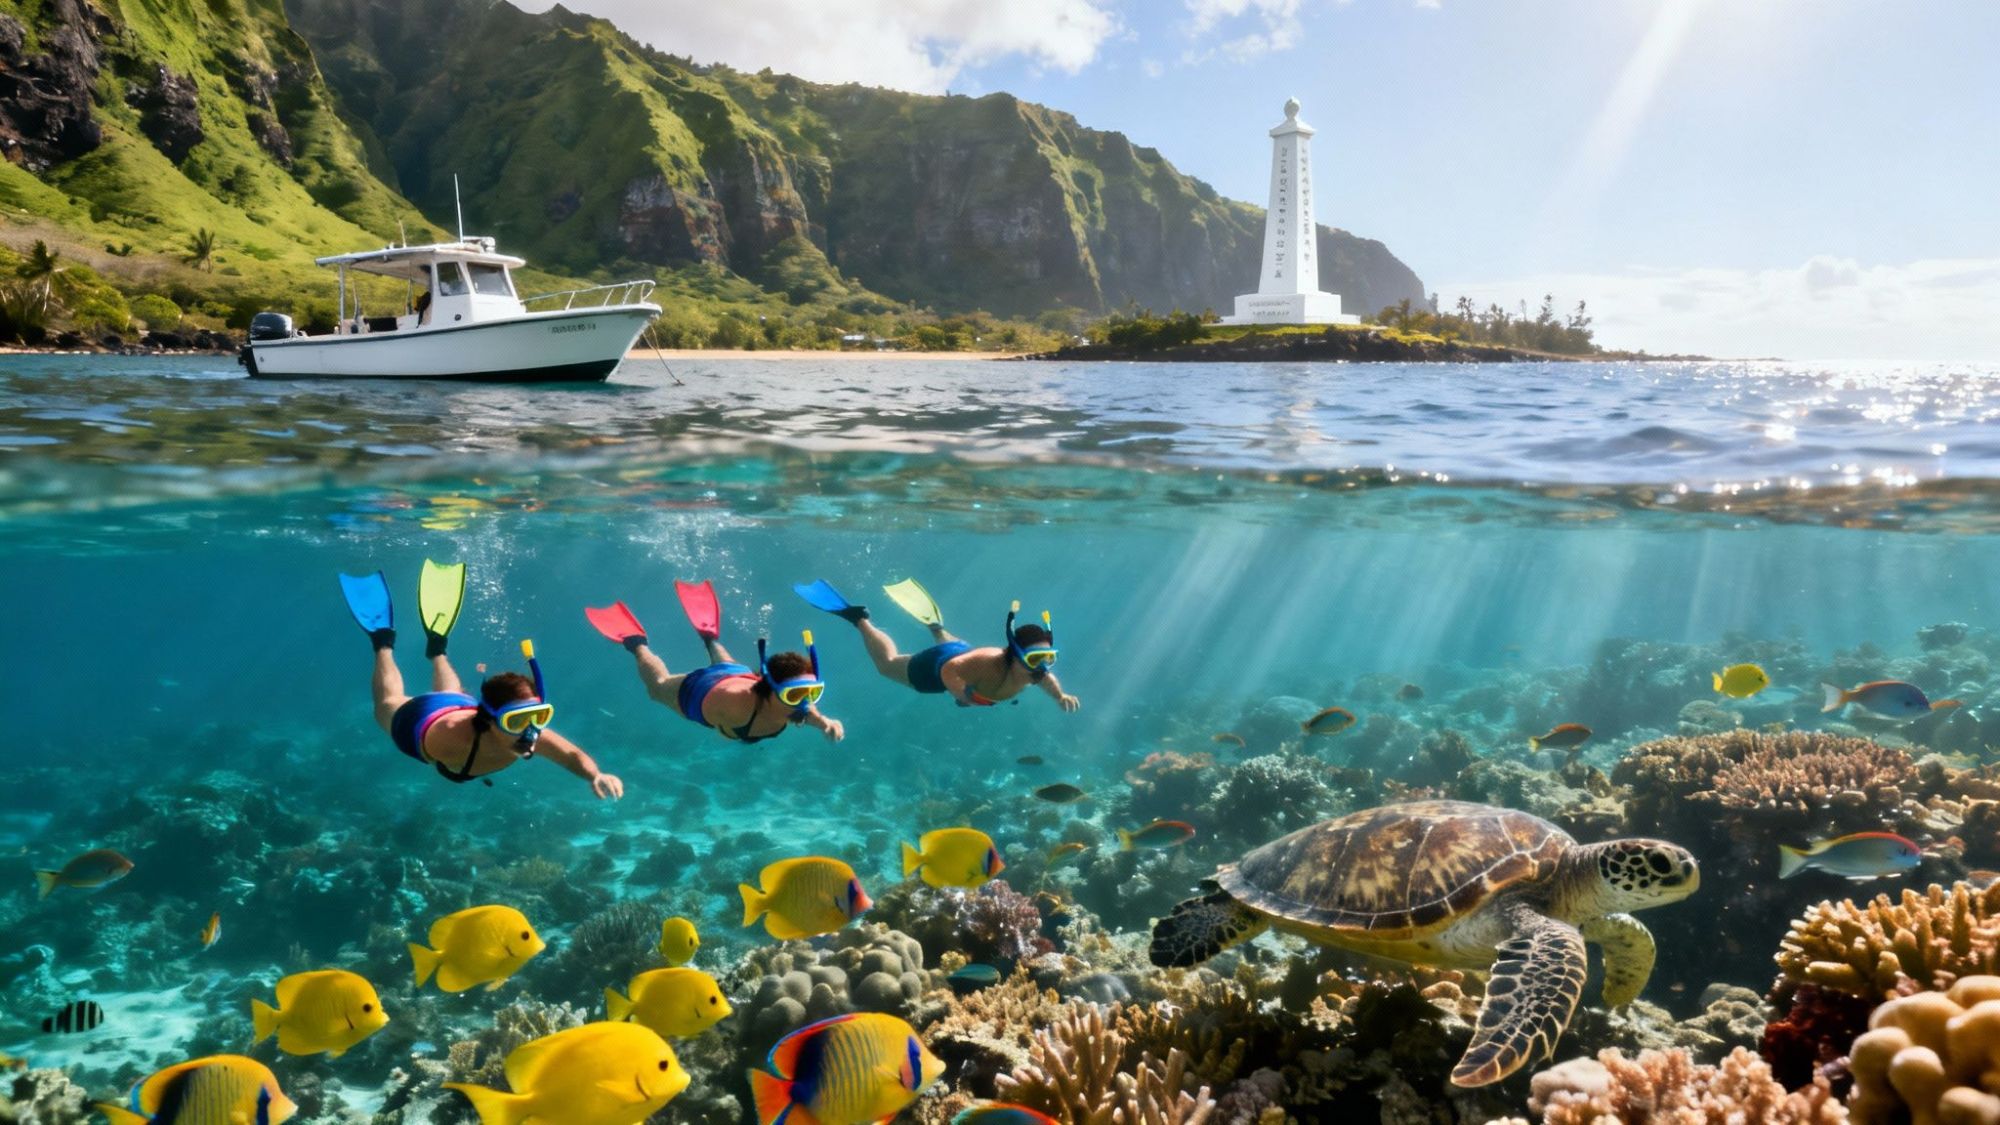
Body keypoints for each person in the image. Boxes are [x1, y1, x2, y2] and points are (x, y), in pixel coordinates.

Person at [340, 562, 623, 796]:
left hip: (457, 704)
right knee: (387, 705)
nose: (530, 730)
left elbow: (571, 755)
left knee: (452, 693)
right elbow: (442, 752)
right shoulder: (448, 736)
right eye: (516, 721)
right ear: (488, 720)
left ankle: (437, 650)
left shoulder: (525, 732)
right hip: (419, 723)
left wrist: (595, 775)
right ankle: (383, 641)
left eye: (538, 715)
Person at [586, 579, 844, 744]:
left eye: (813, 692)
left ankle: (710, 638)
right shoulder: (732, 708)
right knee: (657, 688)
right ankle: (635, 642)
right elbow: (725, 733)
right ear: (770, 690)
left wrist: (824, 723)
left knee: (729, 668)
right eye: (796, 694)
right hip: (700, 691)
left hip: (738, 674)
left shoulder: (788, 701)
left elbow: (804, 710)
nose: (806, 701)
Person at [794, 578, 1079, 712]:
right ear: (1014, 655)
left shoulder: (1036, 674)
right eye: (1034, 659)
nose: (1041, 666)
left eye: (1047, 657)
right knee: (888, 666)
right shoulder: (989, 661)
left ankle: (937, 628)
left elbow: (1049, 681)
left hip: (962, 652)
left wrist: (1060, 696)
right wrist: (961, 692)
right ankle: (859, 620)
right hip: (937, 667)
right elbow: (950, 670)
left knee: (957, 647)